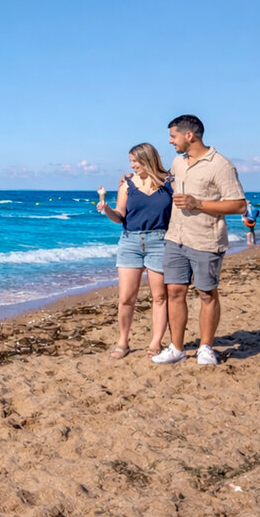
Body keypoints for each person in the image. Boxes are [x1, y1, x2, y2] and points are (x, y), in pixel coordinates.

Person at [152, 115, 246, 367]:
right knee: (174, 292)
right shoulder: (178, 162)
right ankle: (177, 348)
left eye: (173, 136)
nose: (170, 141)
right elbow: (167, 180)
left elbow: (238, 204)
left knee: (206, 294)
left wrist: (198, 203)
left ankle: (206, 348)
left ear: (189, 135)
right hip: (175, 237)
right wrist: (137, 176)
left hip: (206, 239)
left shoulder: (221, 165)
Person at [97, 142, 172, 358]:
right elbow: (119, 216)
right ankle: (123, 342)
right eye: (130, 161)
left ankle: (156, 343)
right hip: (130, 242)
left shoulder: (169, 182)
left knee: (159, 297)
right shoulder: (127, 184)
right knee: (126, 297)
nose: (132, 165)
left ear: (147, 159)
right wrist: (106, 209)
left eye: (135, 161)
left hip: (160, 241)